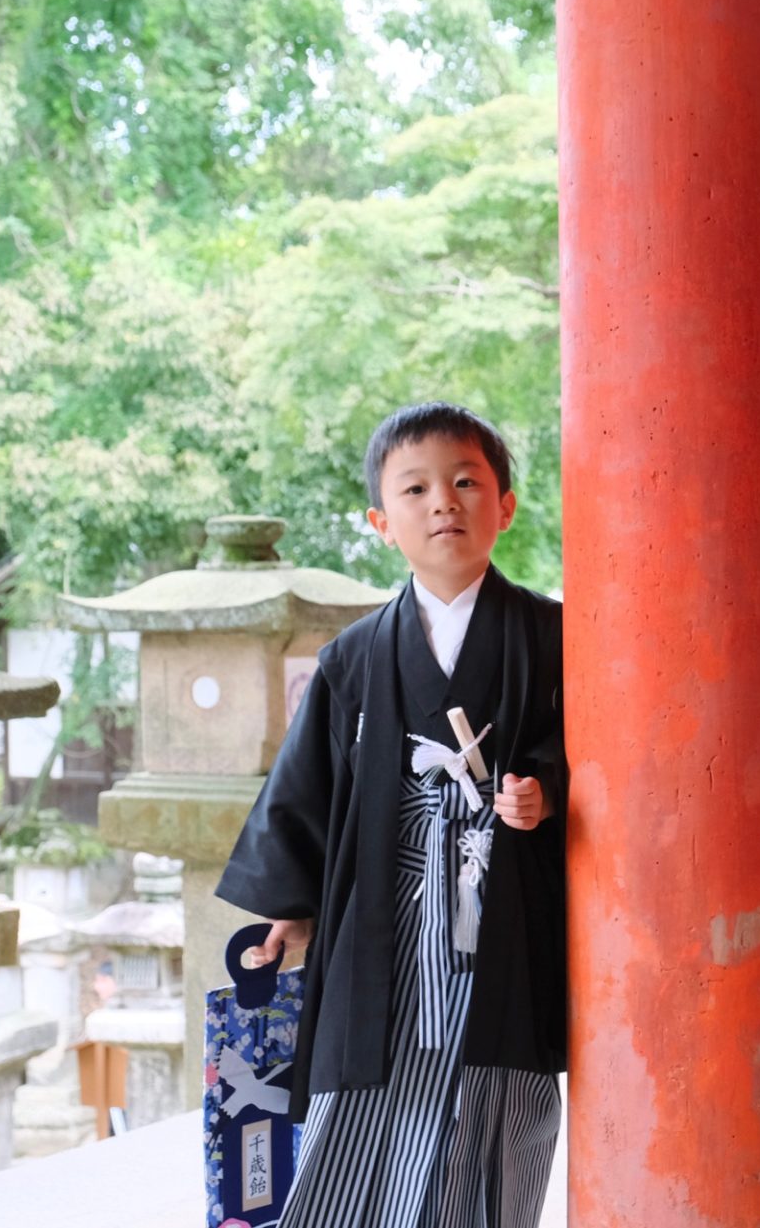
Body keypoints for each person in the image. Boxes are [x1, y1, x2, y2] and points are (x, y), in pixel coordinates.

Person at [216, 402, 566, 1228]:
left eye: (465, 481)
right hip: (387, 925)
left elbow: (591, 747)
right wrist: (290, 909)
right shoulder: (354, 656)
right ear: (382, 521)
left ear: (505, 507)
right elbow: (308, 792)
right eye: (415, 488)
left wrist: (545, 788)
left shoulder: (553, 635)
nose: (443, 501)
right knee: (360, 1119)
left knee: (493, 1113)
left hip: (501, 920)